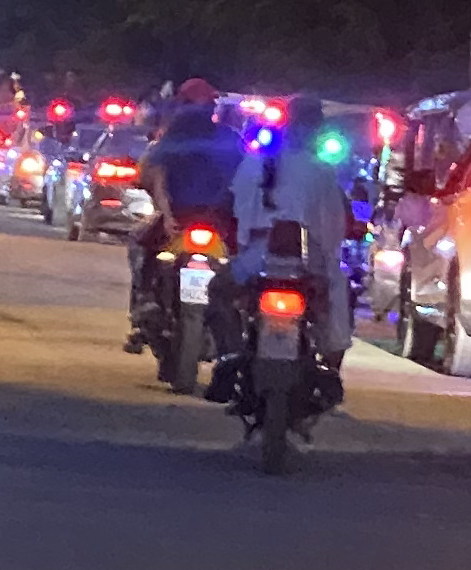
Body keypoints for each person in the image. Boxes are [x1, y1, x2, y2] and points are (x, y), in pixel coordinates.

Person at [228, 94, 353, 399]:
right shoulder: (321, 169)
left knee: (222, 292)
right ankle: (330, 371)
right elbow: (332, 227)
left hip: (256, 260)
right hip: (308, 264)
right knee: (337, 296)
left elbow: (238, 212)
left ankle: (228, 354)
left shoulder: (256, 162)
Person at [123, 80, 240, 353]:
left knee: (138, 243)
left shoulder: (172, 139)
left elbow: (153, 176)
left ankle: (143, 304)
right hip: (219, 221)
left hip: (184, 220)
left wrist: (166, 216)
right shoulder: (230, 139)